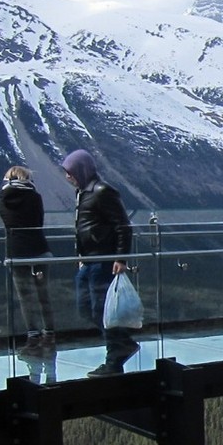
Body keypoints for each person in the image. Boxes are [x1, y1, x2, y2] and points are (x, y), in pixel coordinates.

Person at [61, 149, 138, 376]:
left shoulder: (102, 191)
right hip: (89, 261)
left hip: (104, 260)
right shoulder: (83, 193)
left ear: (81, 170)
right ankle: (122, 343)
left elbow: (123, 226)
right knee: (86, 307)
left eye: (71, 172)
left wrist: (120, 257)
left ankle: (114, 357)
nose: (68, 177)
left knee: (102, 308)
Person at [0, 166, 56, 357]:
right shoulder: (35, 197)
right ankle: (49, 334)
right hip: (39, 247)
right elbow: (38, 221)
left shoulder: (3, 198)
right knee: (43, 294)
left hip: (16, 251)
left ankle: (33, 337)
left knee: (25, 296)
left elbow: (7, 222)